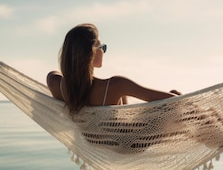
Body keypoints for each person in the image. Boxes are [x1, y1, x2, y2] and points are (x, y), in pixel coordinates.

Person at [46, 23, 180, 116]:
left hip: (98, 143)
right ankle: (201, 141)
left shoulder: (54, 82)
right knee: (178, 97)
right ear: (90, 53)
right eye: (101, 47)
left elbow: (57, 73)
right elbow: (174, 101)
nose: (103, 51)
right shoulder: (116, 85)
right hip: (129, 144)